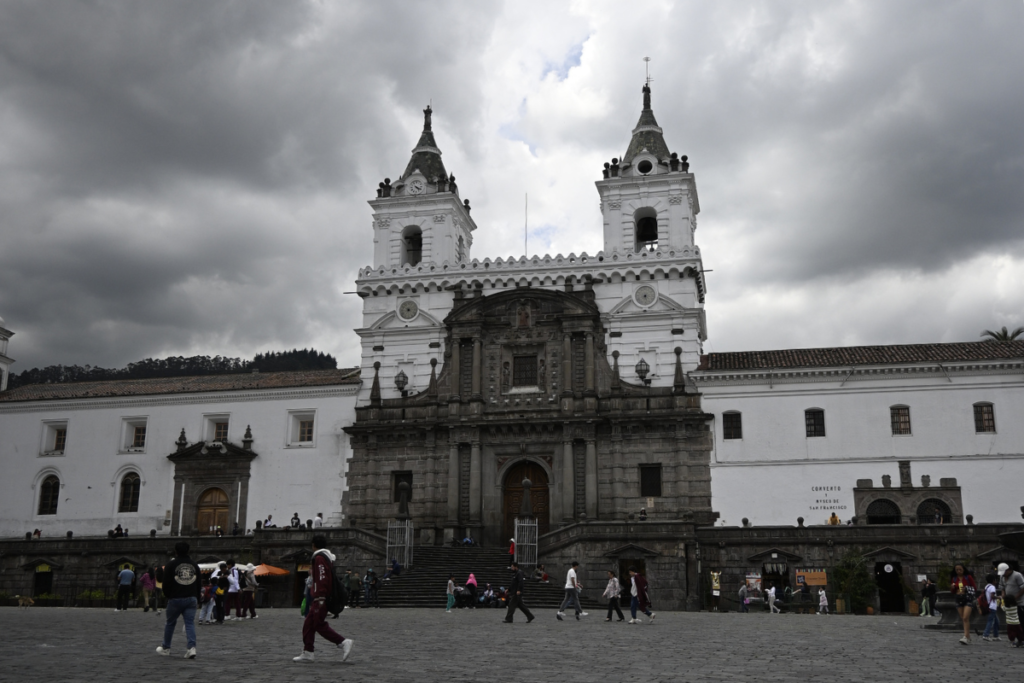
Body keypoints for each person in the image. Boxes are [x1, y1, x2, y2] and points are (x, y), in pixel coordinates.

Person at [293, 534, 353, 663]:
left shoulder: (319, 558)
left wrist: (320, 595)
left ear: (313, 545)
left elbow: (321, 577)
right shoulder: (326, 557)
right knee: (308, 624)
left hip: (321, 597)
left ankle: (342, 641)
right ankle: (308, 652)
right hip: (321, 596)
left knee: (318, 624)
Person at [155, 541, 201, 659]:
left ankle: (166, 648)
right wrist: (197, 596)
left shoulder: (171, 565)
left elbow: (166, 583)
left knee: (170, 623)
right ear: (188, 551)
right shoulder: (194, 565)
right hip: (191, 598)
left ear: (175, 551)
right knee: (189, 623)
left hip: (175, 597)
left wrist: (168, 595)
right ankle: (191, 648)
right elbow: (199, 583)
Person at [998, 563, 1024, 647]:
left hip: (1019, 603)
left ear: (1009, 570)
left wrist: (1014, 599)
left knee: (1020, 622)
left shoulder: (1017, 575)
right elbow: (1002, 588)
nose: (1004, 575)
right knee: (1012, 624)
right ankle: (1017, 639)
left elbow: (1023, 588)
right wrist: (1003, 597)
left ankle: (1021, 639)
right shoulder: (1002, 577)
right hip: (1009, 603)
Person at [951, 563, 976, 645]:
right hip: (958, 598)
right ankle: (968, 636)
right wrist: (953, 587)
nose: (958, 571)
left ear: (963, 569)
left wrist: (966, 588)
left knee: (965, 617)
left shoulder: (968, 577)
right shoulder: (954, 579)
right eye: (957, 570)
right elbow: (953, 592)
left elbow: (974, 588)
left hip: (967, 598)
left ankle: (965, 636)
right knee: (963, 618)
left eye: (960, 569)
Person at [982, 573, 1000, 641]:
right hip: (992, 606)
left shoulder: (987, 586)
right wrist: (999, 597)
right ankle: (985, 635)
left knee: (996, 621)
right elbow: (992, 596)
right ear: (993, 580)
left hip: (989, 605)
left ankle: (996, 635)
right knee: (990, 621)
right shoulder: (992, 587)